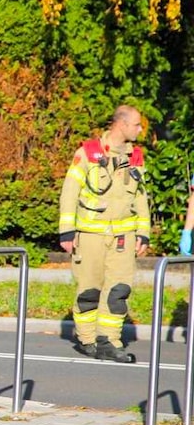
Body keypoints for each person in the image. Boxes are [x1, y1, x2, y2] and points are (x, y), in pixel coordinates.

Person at [58, 105, 150, 363]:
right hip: (90, 235)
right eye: (136, 125)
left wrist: (143, 233)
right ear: (121, 124)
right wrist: (67, 231)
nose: (140, 129)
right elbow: (69, 192)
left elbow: (141, 197)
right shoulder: (87, 153)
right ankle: (87, 339)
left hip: (123, 236)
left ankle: (109, 340)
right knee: (89, 290)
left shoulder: (135, 156)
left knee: (119, 290)